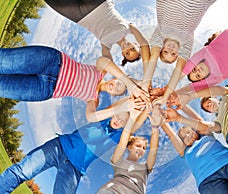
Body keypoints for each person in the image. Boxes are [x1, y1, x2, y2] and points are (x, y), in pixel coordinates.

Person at [0, 111, 130, 194]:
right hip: (59, 147)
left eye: (123, 121)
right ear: (114, 113)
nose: (118, 121)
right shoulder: (101, 117)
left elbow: (133, 124)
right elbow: (115, 107)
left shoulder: (117, 136)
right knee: (22, 171)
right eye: (118, 116)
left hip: (74, 169)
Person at [160, 105, 228, 193]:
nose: (187, 136)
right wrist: (159, 115)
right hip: (208, 180)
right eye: (183, 137)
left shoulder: (206, 134)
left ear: (195, 131)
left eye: (188, 132)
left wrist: (181, 105)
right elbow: (170, 134)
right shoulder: (185, 151)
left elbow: (198, 120)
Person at [0, 45, 150, 103]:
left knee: (2, 87)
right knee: (4, 61)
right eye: (118, 83)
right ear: (115, 77)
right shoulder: (102, 71)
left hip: (44, 89)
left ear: (112, 96)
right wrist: (132, 83)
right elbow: (103, 60)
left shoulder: (94, 100)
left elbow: (91, 117)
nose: (115, 86)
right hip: (52, 62)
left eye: (117, 90)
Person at [144, 0, 216, 105]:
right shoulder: (186, 41)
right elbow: (178, 70)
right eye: (173, 54)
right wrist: (166, 95)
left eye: (165, 51)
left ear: (161, 47)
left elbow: (153, 57)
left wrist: (146, 82)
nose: (170, 50)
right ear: (179, 52)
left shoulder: (161, 33)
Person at [45, 0, 150, 67]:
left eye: (127, 53)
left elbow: (108, 63)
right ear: (136, 44)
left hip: (78, 15)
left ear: (122, 54)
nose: (128, 48)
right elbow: (144, 43)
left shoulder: (106, 45)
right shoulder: (129, 28)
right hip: (98, 3)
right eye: (132, 49)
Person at [96, 104, 162, 194]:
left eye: (144, 148)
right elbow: (123, 142)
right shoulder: (118, 161)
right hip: (111, 191)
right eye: (138, 145)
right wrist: (134, 117)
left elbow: (153, 151)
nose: (141, 149)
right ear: (129, 147)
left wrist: (155, 127)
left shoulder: (145, 168)